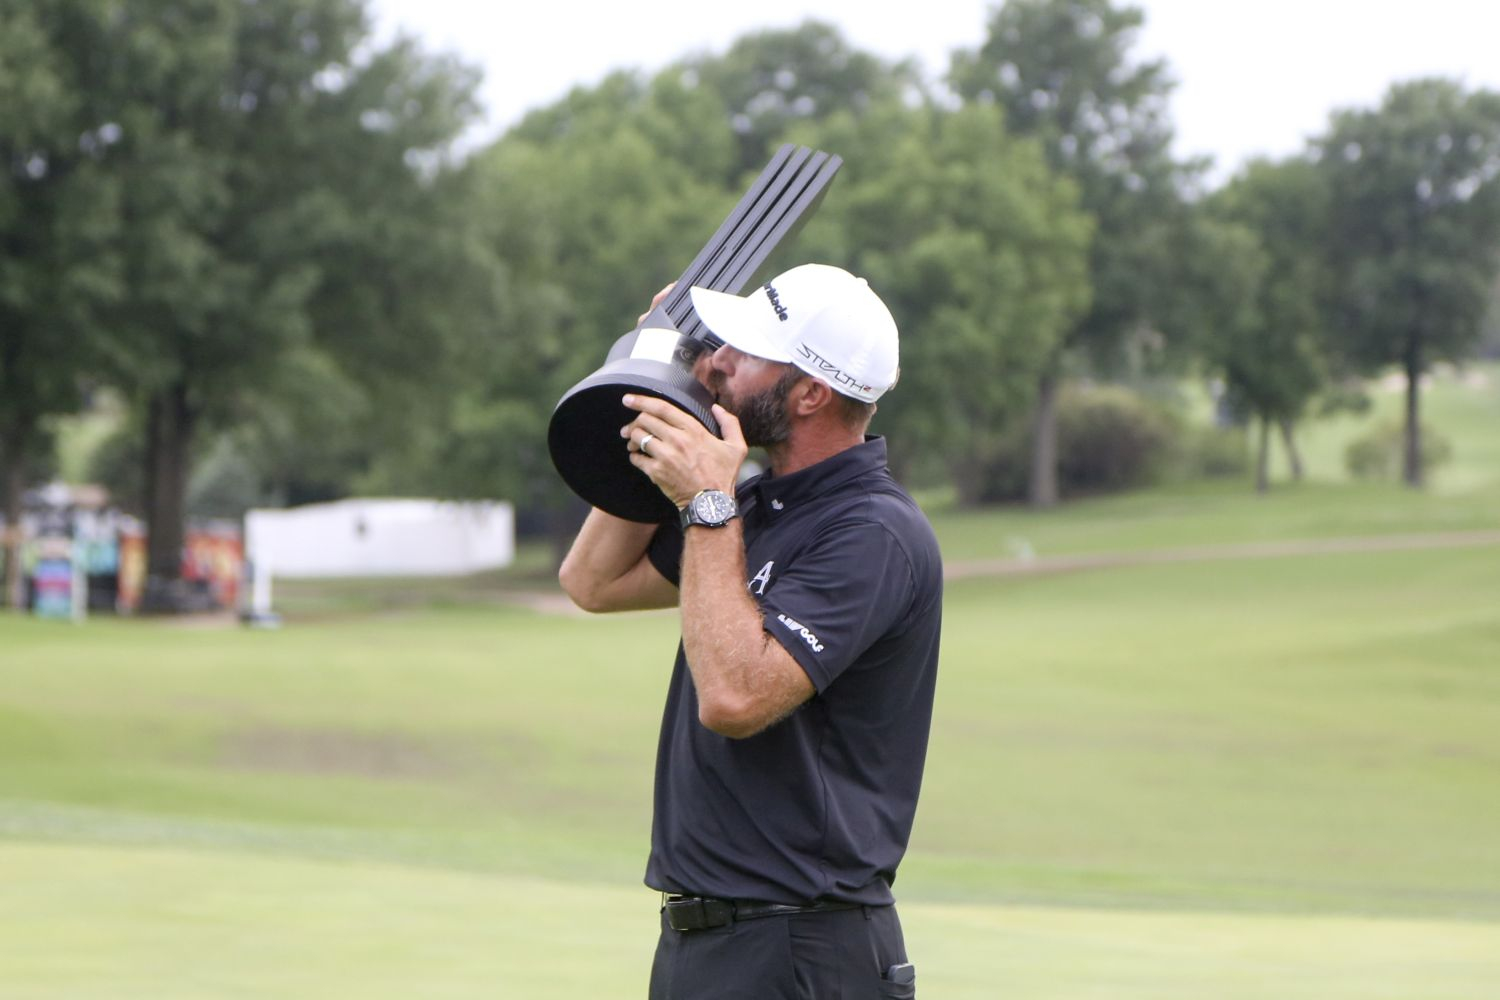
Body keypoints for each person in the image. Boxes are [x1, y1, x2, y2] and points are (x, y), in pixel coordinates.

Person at [559, 263, 942, 999]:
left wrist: (706, 501)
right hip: (709, 947)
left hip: (802, 949)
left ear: (809, 394)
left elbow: (734, 699)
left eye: (745, 350)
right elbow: (593, 582)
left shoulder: (873, 531)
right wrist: (671, 393)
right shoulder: (757, 506)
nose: (719, 359)